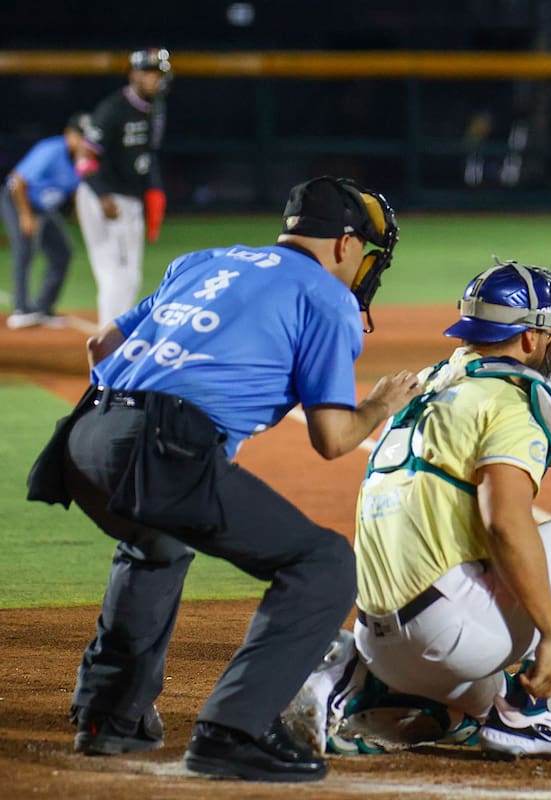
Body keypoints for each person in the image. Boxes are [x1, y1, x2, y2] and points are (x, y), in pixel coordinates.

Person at [26, 175, 419, 782]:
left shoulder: (205, 260)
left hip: (83, 434)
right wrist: (380, 404)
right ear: (344, 244)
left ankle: (111, 719)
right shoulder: (326, 296)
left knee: (156, 541)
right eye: (366, 252)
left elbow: (101, 342)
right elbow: (332, 439)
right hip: (157, 446)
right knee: (323, 565)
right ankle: (233, 731)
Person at [282, 260, 551, 760]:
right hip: (449, 633)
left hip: (378, 636)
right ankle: (537, 713)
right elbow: (505, 523)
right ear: (528, 338)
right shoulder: (510, 398)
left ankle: (352, 685)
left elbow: (548, 445)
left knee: (471, 714)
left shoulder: (432, 382)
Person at [76, 47, 171, 326]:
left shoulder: (156, 110)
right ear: (135, 74)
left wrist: (154, 193)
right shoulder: (112, 109)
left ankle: (116, 336)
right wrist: (102, 195)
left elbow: (149, 155)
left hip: (130, 199)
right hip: (100, 197)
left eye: (159, 73)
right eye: (150, 72)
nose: (156, 79)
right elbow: (84, 159)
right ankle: (108, 344)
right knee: (113, 274)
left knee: (132, 277)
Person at [2, 112, 91, 329]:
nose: (84, 142)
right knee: (25, 249)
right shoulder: (50, 150)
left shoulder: (86, 159)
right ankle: (22, 309)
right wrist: (25, 215)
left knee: (63, 252)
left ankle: (42, 308)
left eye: (88, 137)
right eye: (80, 136)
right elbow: (17, 181)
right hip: (18, 200)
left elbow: (77, 188)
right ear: (68, 134)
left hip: (44, 207)